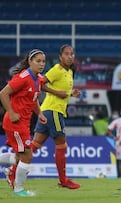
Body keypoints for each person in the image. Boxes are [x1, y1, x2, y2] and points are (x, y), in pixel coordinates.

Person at [27, 44, 81, 189]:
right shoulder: (57, 70)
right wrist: (58, 94)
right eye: (66, 54)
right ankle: (63, 180)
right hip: (53, 111)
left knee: (35, 145)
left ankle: (12, 171)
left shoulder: (69, 72)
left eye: (72, 54)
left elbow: (62, 92)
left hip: (47, 111)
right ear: (60, 57)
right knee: (62, 145)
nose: (70, 56)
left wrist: (71, 94)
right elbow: (40, 83)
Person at [0, 49, 47, 196]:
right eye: (38, 61)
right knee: (27, 156)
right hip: (15, 122)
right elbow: (3, 93)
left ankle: (11, 176)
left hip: (24, 123)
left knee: (20, 157)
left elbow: (32, 100)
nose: (41, 64)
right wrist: (12, 113)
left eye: (43, 61)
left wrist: (39, 113)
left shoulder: (39, 79)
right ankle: (18, 189)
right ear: (29, 62)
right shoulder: (23, 77)